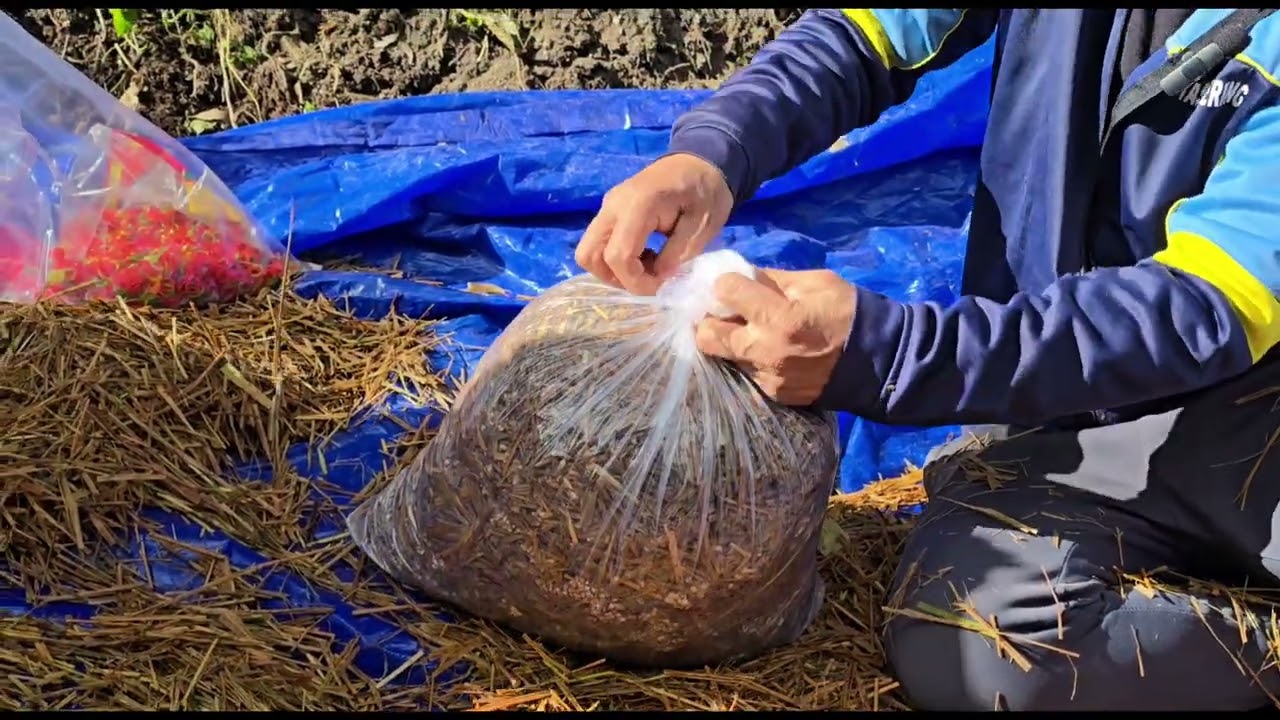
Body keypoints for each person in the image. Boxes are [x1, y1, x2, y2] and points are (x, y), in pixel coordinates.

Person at [574, 8, 1280, 712]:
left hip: (1255, 440)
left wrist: (887, 354)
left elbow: (1199, 310)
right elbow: (865, 35)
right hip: (1073, 421)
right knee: (982, 641)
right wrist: (710, 153)